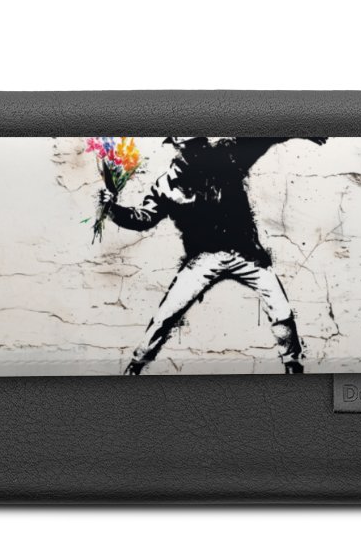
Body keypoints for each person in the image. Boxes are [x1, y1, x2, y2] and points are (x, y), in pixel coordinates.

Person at [98, 136, 327, 374]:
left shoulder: (227, 157)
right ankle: (136, 366)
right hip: (202, 259)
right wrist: (112, 209)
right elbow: (143, 217)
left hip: (246, 254)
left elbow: (260, 140)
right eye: (191, 146)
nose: (198, 149)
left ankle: (293, 364)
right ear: (178, 148)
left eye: (200, 143)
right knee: (166, 314)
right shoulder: (167, 185)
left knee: (280, 309)